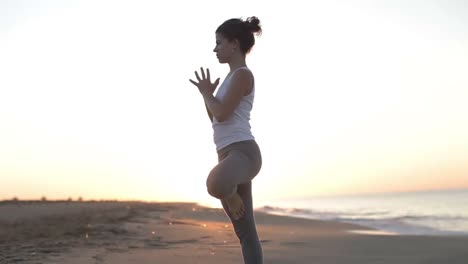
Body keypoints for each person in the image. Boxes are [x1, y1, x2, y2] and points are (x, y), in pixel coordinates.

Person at [189, 16, 263, 264]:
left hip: (244, 153)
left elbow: (222, 112)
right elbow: (216, 118)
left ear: (234, 44)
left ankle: (230, 193)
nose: (215, 48)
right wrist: (206, 95)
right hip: (227, 153)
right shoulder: (230, 79)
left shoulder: (242, 75)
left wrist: (209, 94)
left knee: (215, 184)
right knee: (245, 232)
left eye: (219, 42)